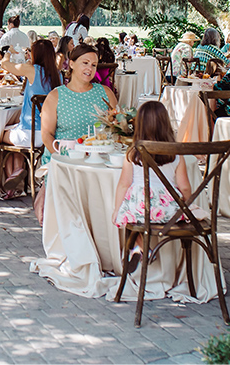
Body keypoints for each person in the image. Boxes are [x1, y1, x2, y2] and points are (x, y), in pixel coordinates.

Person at [35, 44, 119, 223]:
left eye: (94, 65)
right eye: (85, 63)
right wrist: (63, 156)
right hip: (67, 160)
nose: (90, 68)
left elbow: (117, 126)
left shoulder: (105, 93)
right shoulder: (56, 96)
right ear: (71, 64)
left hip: (100, 160)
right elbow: (47, 135)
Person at [112, 101, 192, 272]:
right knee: (134, 216)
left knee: (129, 217)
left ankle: (142, 248)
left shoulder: (133, 152)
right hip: (169, 211)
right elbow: (184, 187)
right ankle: (141, 249)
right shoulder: (176, 154)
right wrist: (186, 205)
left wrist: (116, 210)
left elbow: (123, 184)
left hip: (141, 208)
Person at [0, 39, 62, 197]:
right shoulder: (58, 75)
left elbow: (4, 65)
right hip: (50, 135)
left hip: (30, 133)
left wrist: (9, 52)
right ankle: (17, 174)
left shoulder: (33, 70)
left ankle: (12, 180)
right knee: (15, 136)